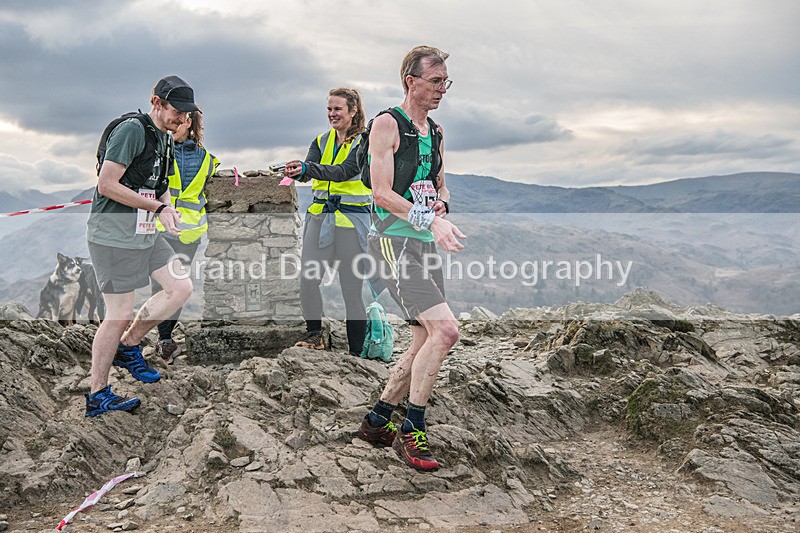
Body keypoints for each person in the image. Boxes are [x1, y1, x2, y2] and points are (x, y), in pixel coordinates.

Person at [356, 46, 465, 471]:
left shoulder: (435, 132)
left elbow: (441, 184)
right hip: (391, 243)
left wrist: (440, 206)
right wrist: (429, 220)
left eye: (445, 82)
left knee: (424, 337)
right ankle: (412, 428)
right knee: (446, 331)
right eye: (436, 81)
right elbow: (379, 191)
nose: (442, 89)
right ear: (411, 82)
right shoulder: (386, 124)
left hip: (422, 244)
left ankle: (378, 418)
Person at [84, 75, 196, 417]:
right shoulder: (132, 130)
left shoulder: (164, 138)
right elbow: (106, 184)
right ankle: (97, 395)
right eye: (178, 111)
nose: (183, 120)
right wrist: (157, 208)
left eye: (188, 114)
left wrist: (168, 207)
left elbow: (159, 184)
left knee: (180, 288)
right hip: (113, 235)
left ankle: (129, 347)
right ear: (156, 102)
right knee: (118, 315)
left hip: (146, 234)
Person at [282, 88, 373, 357]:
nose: (332, 114)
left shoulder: (364, 142)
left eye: (338, 109)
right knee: (308, 279)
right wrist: (298, 172)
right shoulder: (320, 141)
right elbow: (310, 171)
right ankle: (314, 336)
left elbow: (345, 171)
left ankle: (356, 354)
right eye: (329, 109)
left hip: (351, 221)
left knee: (351, 289)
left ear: (353, 111)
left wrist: (308, 168)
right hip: (320, 218)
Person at [152, 109, 219, 364]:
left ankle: (164, 339)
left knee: (176, 284)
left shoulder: (208, 161)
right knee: (164, 284)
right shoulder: (161, 151)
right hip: (162, 227)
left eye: (181, 118)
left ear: (189, 122)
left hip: (186, 232)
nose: (175, 123)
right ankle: (163, 338)